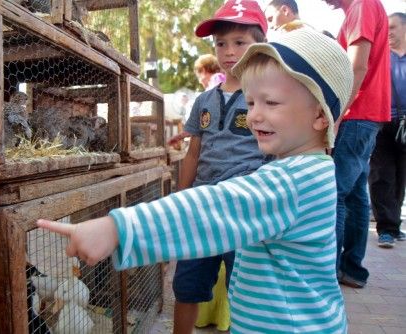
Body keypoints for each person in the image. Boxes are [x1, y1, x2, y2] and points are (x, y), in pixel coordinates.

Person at [37, 28, 353, 333]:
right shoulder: (310, 169)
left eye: (271, 103)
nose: (255, 115)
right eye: (252, 102)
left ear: (320, 116)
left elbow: (215, 208)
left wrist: (119, 228)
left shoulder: (292, 180)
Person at [166, 1, 268, 332]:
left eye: (240, 42)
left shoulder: (267, 97)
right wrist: (181, 198)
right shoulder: (203, 101)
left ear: (261, 46)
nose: (229, 51)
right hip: (201, 210)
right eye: (221, 43)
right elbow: (193, 153)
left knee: (247, 291)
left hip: (245, 211)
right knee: (187, 286)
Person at [321, 0, 391, 289]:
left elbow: (357, 65)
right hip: (367, 114)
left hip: (357, 113)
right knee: (355, 195)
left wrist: (337, 113)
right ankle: (352, 270)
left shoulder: (361, 4)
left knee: (336, 192)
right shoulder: (359, 8)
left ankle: (329, 271)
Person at [369, 12, 406, 248]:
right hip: (382, 121)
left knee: (401, 175)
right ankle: (385, 228)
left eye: (393, 27)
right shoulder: (381, 56)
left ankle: (394, 225)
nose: (388, 32)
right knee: (381, 174)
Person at [167, 54, 226, 148]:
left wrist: (181, 135)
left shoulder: (217, 79)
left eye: (199, 76)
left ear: (203, 70)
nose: (200, 81)